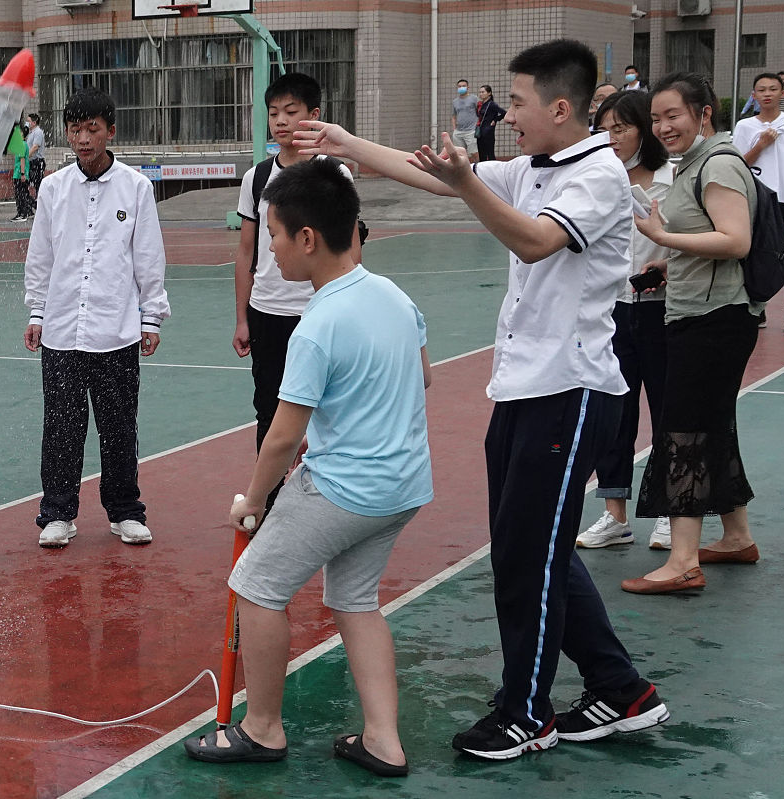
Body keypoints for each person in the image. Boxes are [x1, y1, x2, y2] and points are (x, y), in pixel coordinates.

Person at [297, 38, 669, 760]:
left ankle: (528, 711)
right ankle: (621, 689)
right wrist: (346, 142)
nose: (509, 114)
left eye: (520, 102)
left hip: (573, 390)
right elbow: (433, 175)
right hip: (527, 387)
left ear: (560, 107)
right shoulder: (537, 164)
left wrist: (469, 184)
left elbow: (534, 242)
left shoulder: (595, 177)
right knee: (535, 549)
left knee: (530, 557)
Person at [183, 157, 432, 777]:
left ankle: (263, 729)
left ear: (307, 239)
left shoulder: (318, 323)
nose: (269, 248)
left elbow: (281, 436)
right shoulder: (395, 298)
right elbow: (422, 379)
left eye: (272, 234)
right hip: (403, 483)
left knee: (255, 587)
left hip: (345, 487)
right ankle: (383, 740)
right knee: (355, 599)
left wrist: (253, 499)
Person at [629, 73, 764, 592]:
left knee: (684, 427)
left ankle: (683, 561)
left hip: (715, 319)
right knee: (712, 424)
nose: (663, 127)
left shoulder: (719, 163)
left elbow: (735, 241)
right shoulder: (698, 164)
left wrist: (662, 235)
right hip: (701, 310)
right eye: (657, 118)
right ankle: (735, 537)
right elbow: (706, 237)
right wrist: (671, 258)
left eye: (673, 115)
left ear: (703, 113)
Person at [23, 87, 170, 548]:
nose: (82, 138)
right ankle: (58, 513)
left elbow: (148, 257)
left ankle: (125, 511)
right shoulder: (53, 188)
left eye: (92, 129)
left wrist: (151, 318)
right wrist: (37, 311)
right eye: (74, 129)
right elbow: (41, 257)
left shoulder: (136, 188)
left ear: (110, 130)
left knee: (119, 427)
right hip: (63, 332)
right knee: (61, 428)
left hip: (116, 330)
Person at [232, 71, 353, 508]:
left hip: (323, 313)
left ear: (315, 116)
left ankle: (331, 498)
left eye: (291, 112)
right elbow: (246, 252)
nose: (280, 121)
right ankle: (271, 502)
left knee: (332, 411)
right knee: (271, 411)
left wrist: (351, 308)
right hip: (268, 314)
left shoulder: (333, 172)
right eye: (273, 113)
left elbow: (351, 247)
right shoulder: (257, 176)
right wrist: (242, 317)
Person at [577, 90, 674, 550]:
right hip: (614, 310)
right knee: (616, 412)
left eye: (622, 128)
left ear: (645, 130)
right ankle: (615, 512)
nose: (611, 138)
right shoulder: (600, 179)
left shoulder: (673, 179)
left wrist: (667, 270)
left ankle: (671, 512)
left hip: (665, 310)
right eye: (605, 128)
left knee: (669, 410)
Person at [733, 72, 784, 333]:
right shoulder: (745, 127)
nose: (767, 94)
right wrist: (761, 145)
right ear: (754, 95)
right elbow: (739, 163)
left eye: (773, 89)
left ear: (783, 93)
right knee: (754, 255)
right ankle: (757, 310)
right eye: (761, 90)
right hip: (756, 201)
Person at [475, 84, 507, 162]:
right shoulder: (481, 104)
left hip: (488, 131)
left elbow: (504, 113)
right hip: (480, 130)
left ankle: (492, 170)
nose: (481, 94)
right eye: (480, 92)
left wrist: (495, 120)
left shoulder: (492, 104)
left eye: (483, 92)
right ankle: (482, 170)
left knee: (489, 152)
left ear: (489, 93)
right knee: (481, 153)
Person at [10, 120, 33, 222]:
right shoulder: (23, 144)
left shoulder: (22, 145)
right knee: (23, 194)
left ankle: (22, 214)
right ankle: (27, 212)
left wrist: (22, 174)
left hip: (20, 175)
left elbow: (22, 160)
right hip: (20, 174)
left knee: (20, 195)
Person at [451, 79, 479, 162]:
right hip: (458, 132)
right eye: (459, 86)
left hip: (471, 130)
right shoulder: (455, 101)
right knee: (460, 153)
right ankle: (465, 170)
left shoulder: (474, 98)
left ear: (468, 87)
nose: (461, 88)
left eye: (463, 86)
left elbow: (480, 111)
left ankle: (478, 168)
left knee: (474, 152)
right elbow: (453, 116)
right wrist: (454, 129)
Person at [26, 112, 46, 202]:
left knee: (38, 183)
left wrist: (25, 157)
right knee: (28, 183)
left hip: (37, 162)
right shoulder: (31, 133)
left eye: (28, 121)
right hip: (31, 161)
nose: (27, 123)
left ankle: (39, 203)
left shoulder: (38, 132)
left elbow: (35, 147)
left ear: (34, 123)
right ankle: (30, 205)